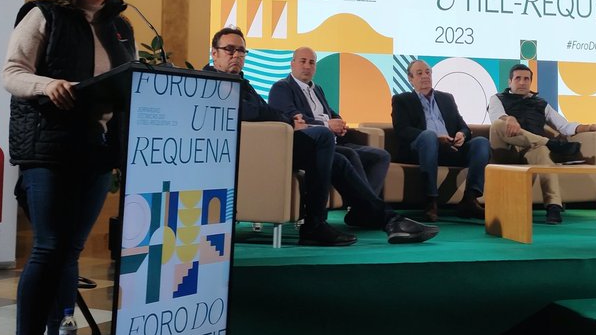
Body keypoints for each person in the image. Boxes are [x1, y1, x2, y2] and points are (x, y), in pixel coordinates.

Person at [1, 0, 136, 335]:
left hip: (94, 150)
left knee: (72, 251)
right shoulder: (44, 15)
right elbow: (11, 73)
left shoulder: (119, 28)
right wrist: (47, 84)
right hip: (49, 146)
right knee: (50, 247)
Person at [205, 28, 435, 246]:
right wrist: (289, 121)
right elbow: (252, 111)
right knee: (323, 136)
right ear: (215, 53)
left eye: (241, 51)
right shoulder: (211, 81)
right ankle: (315, 224)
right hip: (249, 150)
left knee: (340, 160)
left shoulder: (243, 83)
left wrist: (284, 119)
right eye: (230, 50)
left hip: (273, 145)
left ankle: (389, 220)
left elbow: (266, 111)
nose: (236, 55)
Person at [487, 63, 596, 224]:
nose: (522, 82)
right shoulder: (497, 98)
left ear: (530, 82)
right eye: (518, 78)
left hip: (530, 149)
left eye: (526, 79)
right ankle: (549, 143)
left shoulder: (541, 103)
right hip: (504, 149)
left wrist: (591, 126)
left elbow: (564, 126)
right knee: (498, 124)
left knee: (543, 153)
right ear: (510, 82)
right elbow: (498, 116)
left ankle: (553, 207)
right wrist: (509, 118)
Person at [268, 47, 390, 198]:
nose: (307, 66)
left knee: (381, 156)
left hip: (337, 140)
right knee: (350, 154)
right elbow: (295, 120)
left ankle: (363, 207)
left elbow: (330, 113)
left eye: (312, 62)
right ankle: (369, 208)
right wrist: (327, 125)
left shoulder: (317, 88)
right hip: (313, 145)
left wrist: (340, 124)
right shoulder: (282, 88)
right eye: (303, 61)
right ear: (292, 63)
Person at [391, 60, 491, 221]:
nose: (425, 76)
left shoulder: (446, 98)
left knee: (481, 143)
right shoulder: (402, 100)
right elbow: (401, 129)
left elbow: (463, 126)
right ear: (410, 79)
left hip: (450, 147)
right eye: (419, 73)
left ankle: (470, 199)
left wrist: (462, 135)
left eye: (428, 72)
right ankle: (431, 201)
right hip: (422, 149)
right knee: (429, 136)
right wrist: (435, 137)